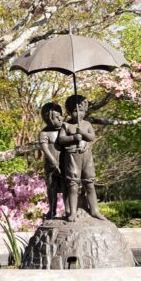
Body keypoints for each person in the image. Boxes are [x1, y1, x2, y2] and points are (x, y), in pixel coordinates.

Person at [55, 94, 103, 222]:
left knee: (90, 183)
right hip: (72, 157)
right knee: (73, 185)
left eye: (81, 111)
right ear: (70, 112)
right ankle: (72, 212)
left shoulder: (86, 124)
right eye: (75, 111)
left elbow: (92, 137)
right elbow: (61, 139)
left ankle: (94, 210)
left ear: (85, 111)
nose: (79, 114)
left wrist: (82, 133)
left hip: (86, 156)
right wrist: (73, 137)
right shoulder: (66, 125)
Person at [37, 102, 64, 219]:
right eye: (56, 118)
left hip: (64, 164)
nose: (60, 119)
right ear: (48, 119)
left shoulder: (64, 130)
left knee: (66, 186)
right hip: (51, 166)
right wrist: (53, 160)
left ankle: (69, 210)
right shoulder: (44, 133)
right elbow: (45, 149)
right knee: (52, 188)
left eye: (60, 116)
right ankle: (52, 210)